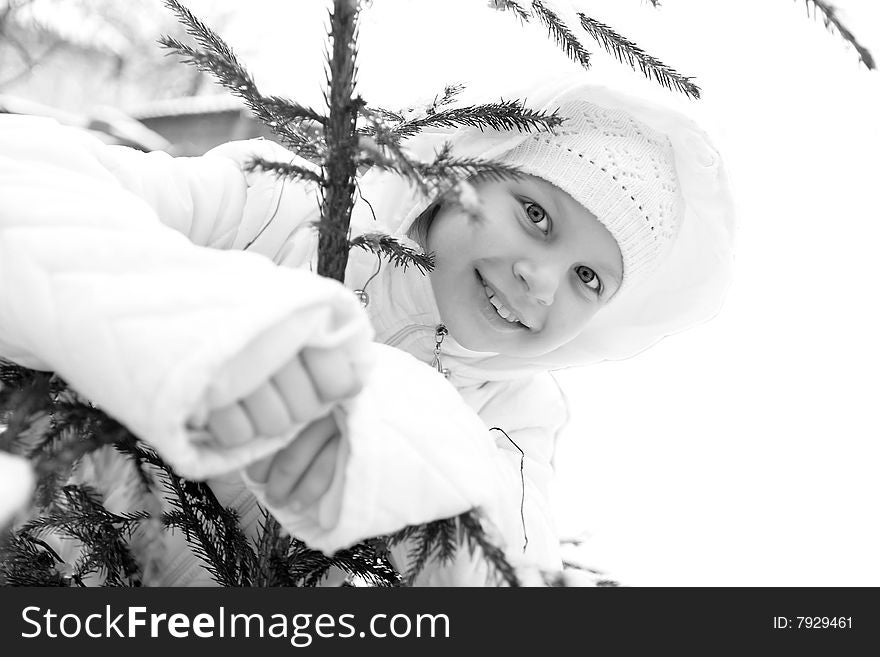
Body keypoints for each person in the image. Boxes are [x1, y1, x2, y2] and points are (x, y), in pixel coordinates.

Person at [0, 77, 736, 585]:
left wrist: (413, 440)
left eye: (588, 278)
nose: (539, 279)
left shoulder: (516, 419)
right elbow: (30, 185)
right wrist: (215, 323)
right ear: (467, 174)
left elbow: (506, 571)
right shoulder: (284, 204)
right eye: (536, 215)